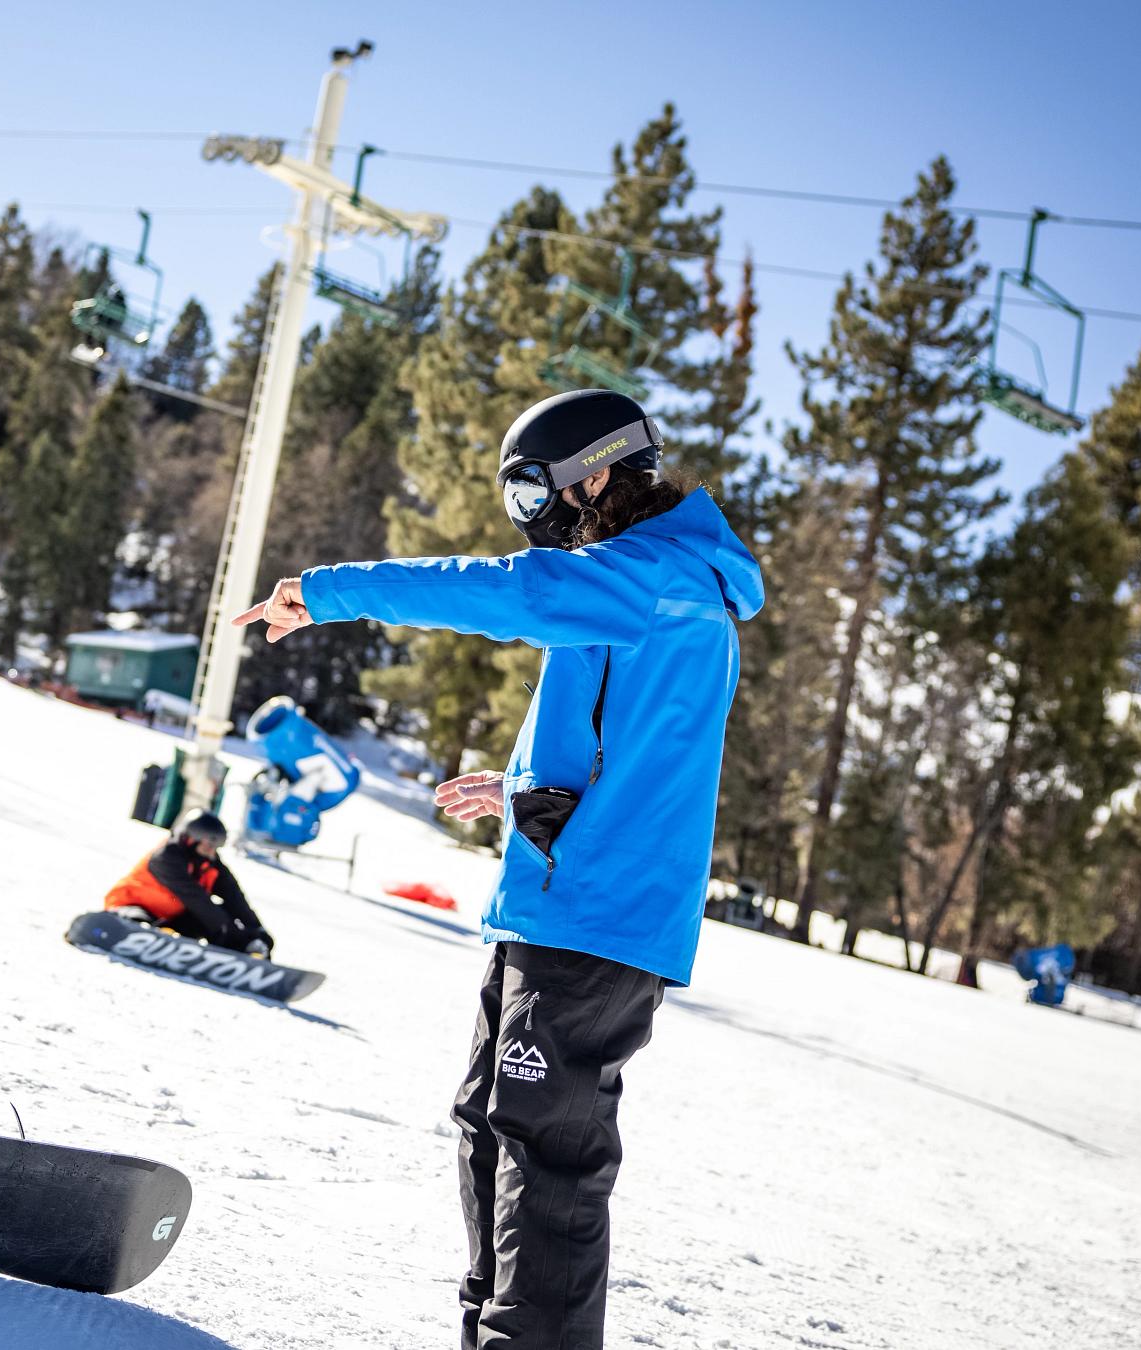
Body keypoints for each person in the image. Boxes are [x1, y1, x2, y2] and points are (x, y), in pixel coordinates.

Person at [232, 388, 763, 1349]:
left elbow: (502, 593)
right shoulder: (654, 581)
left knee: (545, 1148)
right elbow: (636, 746)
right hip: (561, 896)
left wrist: (330, 592)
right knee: (490, 1123)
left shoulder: (655, 575)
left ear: (595, 475)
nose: (532, 523)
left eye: (534, 494)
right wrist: (523, 789)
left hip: (595, 914)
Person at [104, 810, 274, 956]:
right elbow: (197, 900)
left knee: (217, 916)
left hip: (168, 919)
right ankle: (132, 935)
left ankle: (238, 957)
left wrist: (256, 930)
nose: (212, 850)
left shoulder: (209, 863)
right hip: (131, 906)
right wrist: (232, 932)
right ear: (192, 839)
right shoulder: (167, 857)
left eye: (216, 846)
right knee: (141, 921)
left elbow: (234, 897)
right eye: (209, 844)